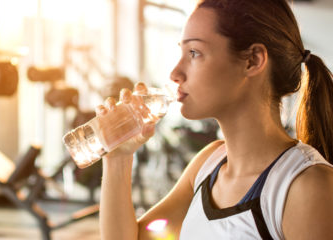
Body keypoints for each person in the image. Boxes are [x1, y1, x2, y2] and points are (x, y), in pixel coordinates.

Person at [96, 0, 333, 239]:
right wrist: (118, 157)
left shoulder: (306, 186)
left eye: (194, 53)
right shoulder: (208, 164)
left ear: (253, 60)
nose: (175, 73)